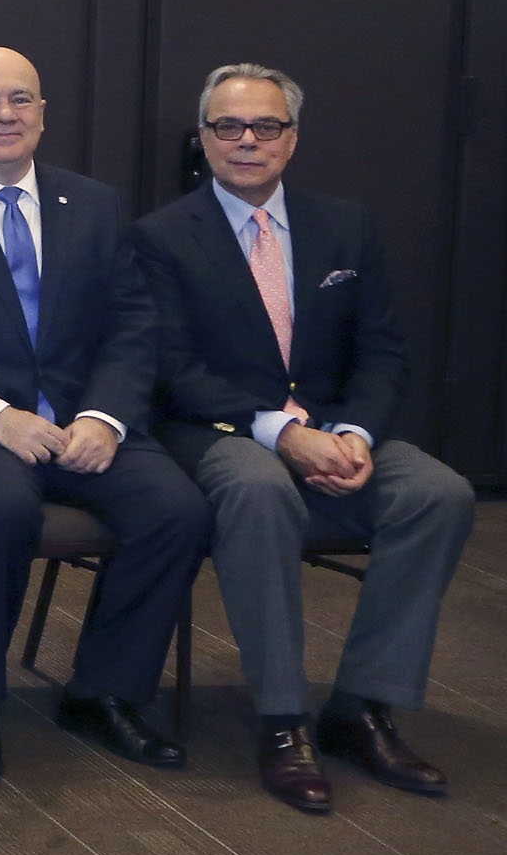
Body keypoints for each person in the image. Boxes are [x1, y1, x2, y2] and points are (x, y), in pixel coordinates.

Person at [136, 63, 476, 814]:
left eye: (266, 126)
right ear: (203, 138)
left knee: (438, 494)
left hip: (333, 427)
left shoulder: (343, 224)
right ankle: (283, 719)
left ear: (292, 138)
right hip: (216, 430)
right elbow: (170, 370)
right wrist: (282, 432)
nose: (246, 141)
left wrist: (352, 432)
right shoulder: (160, 237)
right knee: (259, 492)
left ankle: (362, 705)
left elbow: (384, 351)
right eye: (228, 126)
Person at [0, 46, 208, 783]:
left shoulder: (93, 204)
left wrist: (104, 418)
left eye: (20, 100)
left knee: (177, 509)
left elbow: (132, 326)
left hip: (83, 422)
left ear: (43, 115)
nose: (3, 115)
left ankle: (104, 692)